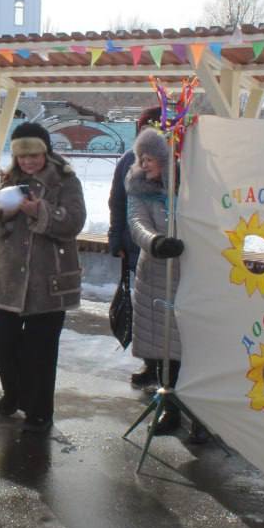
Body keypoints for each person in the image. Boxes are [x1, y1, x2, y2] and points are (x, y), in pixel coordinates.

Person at [0, 122, 86, 433]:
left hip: (49, 278)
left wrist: (41, 211)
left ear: (45, 151)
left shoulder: (66, 181)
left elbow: (75, 222)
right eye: (23, 157)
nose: (29, 162)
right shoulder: (8, 180)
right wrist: (3, 215)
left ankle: (39, 409)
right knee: (0, 335)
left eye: (35, 155)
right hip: (9, 278)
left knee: (41, 348)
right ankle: (14, 393)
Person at [125, 126, 195, 438]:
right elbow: (137, 223)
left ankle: (197, 414)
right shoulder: (139, 189)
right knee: (163, 347)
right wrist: (156, 242)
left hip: (189, 275)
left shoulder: (190, 189)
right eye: (141, 158)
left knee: (187, 347)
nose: (144, 164)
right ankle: (169, 408)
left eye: (150, 158)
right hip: (154, 274)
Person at [108, 107, 159, 387]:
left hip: (167, 250)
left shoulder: (178, 161)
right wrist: (116, 238)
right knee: (142, 311)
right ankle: (150, 363)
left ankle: (171, 367)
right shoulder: (129, 161)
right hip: (135, 247)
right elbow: (117, 201)